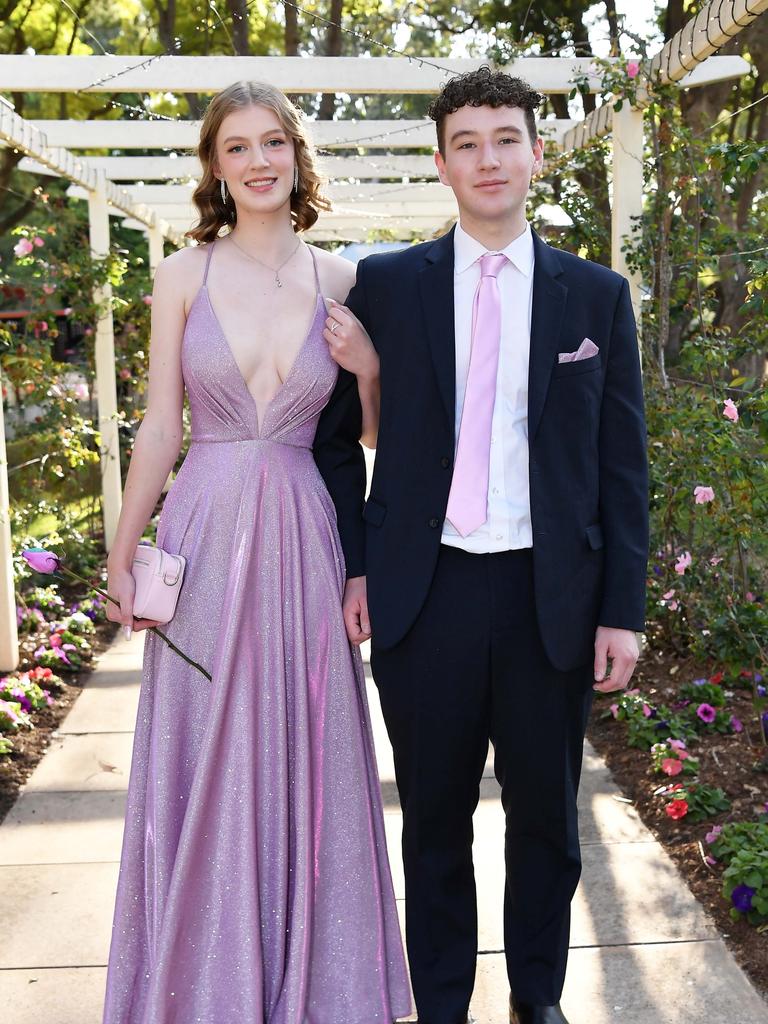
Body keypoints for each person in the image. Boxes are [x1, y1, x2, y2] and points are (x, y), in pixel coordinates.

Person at [315, 68, 649, 1024]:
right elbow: (340, 441)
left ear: (536, 153)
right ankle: (445, 1006)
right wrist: (358, 561)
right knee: (433, 825)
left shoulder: (595, 296)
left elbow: (622, 466)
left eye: (506, 137)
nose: (489, 158)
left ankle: (538, 1001)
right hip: (428, 597)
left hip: (555, 597)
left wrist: (621, 609)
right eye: (468, 142)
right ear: (442, 163)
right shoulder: (385, 286)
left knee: (548, 821)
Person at [102, 80, 411, 1024]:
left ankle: (312, 983)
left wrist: (368, 372)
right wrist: (122, 553)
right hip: (203, 526)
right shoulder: (182, 276)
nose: (258, 161)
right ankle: (204, 984)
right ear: (215, 168)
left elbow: (368, 439)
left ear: (296, 156)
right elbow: (160, 428)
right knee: (204, 744)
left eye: (273, 142)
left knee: (304, 740)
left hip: (305, 536)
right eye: (236, 147)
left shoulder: (344, 281)